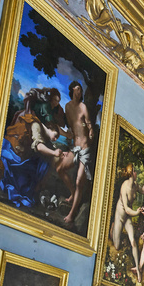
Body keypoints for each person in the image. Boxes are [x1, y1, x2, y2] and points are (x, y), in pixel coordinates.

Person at [55, 81, 94, 225]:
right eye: (78, 89)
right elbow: (71, 129)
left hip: (84, 149)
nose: (80, 92)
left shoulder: (83, 107)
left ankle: (71, 214)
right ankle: (72, 193)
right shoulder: (68, 107)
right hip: (74, 147)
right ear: (72, 89)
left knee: (79, 181)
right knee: (60, 169)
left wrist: (90, 131)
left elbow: (89, 123)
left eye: (81, 90)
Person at [111, 164, 143, 270]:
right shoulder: (124, 187)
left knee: (133, 241)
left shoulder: (135, 185)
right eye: (134, 171)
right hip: (120, 216)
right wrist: (137, 212)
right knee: (116, 246)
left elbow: (143, 190)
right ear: (131, 173)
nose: (136, 173)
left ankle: (137, 268)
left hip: (127, 218)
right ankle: (113, 229)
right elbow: (127, 210)